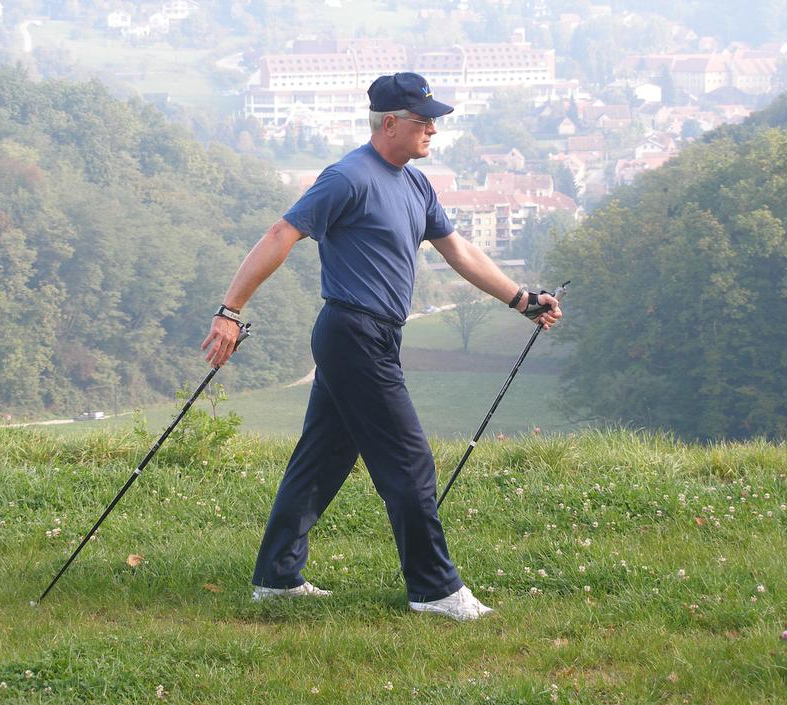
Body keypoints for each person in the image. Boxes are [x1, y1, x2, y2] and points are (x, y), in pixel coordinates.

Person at [202, 72, 562, 621]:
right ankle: (435, 590)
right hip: (352, 334)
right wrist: (230, 310)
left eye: (435, 121)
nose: (433, 131)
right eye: (423, 121)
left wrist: (521, 299)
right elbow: (281, 234)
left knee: (323, 456)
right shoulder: (347, 177)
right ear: (389, 123)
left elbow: (458, 249)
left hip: (376, 337)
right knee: (410, 460)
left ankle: (276, 577)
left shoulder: (416, 185)